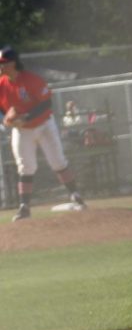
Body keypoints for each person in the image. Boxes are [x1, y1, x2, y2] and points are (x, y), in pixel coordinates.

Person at [0, 47, 87, 221]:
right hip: (22, 130)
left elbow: (46, 103)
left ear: (13, 63)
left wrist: (27, 117)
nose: (1, 66)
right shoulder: (1, 84)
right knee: (25, 167)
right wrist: (5, 119)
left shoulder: (31, 79)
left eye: (3, 63)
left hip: (44, 124)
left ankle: (75, 196)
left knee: (58, 161)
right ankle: (24, 208)